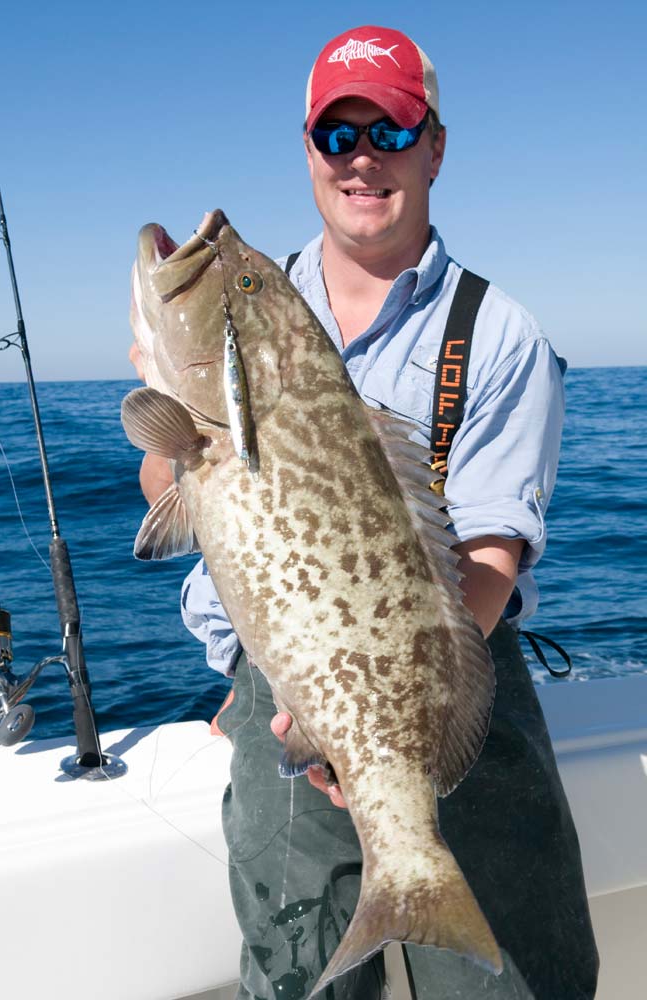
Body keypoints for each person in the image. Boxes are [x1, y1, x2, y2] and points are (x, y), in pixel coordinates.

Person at [134, 25, 599, 1000]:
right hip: (284, 689)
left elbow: (489, 552)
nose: (362, 158)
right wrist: (176, 436)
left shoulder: (499, 332)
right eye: (336, 135)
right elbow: (184, 505)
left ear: (433, 146)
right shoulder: (274, 299)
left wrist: (380, 728)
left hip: (435, 677)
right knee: (298, 976)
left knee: (507, 980)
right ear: (308, 151)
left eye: (389, 130)